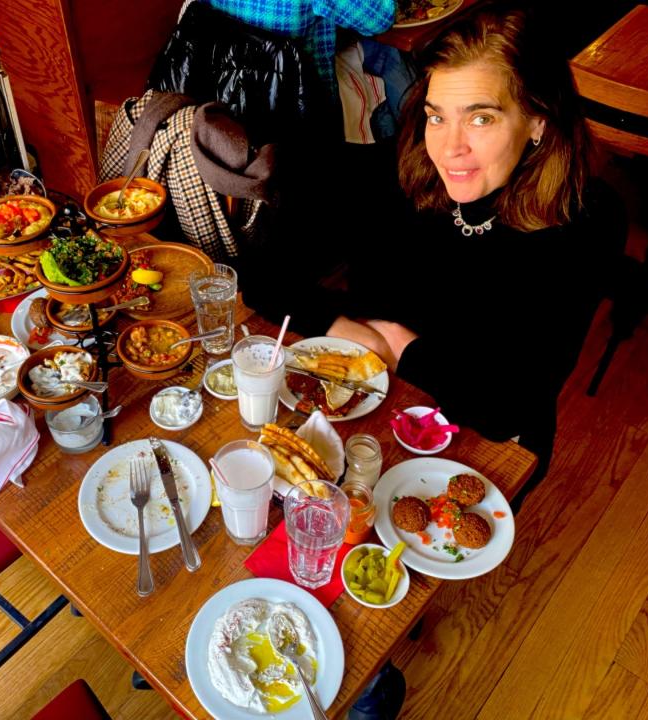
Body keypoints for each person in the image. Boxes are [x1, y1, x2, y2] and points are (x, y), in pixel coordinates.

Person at [242, 3, 626, 513]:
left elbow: (506, 404)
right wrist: (351, 330)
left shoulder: (587, 220)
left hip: (479, 447)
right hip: (367, 411)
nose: (450, 148)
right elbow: (263, 273)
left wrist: (399, 345)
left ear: (537, 119)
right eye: (436, 116)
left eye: (481, 118)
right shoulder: (406, 166)